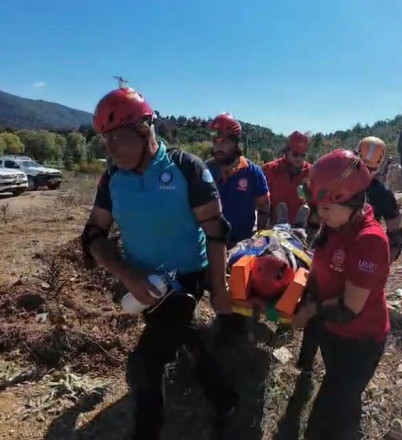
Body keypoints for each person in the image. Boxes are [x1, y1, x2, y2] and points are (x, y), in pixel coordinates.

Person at [82, 85, 237, 439]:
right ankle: (225, 398)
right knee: (187, 339)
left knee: (145, 364)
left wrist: (220, 288)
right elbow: (93, 234)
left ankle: (147, 432)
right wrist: (128, 274)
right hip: (143, 283)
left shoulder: (186, 169)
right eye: (104, 140)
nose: (109, 149)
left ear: (143, 130)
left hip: (187, 278)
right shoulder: (112, 179)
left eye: (116, 138)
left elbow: (216, 232)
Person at [292, 150, 390, 440]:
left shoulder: (368, 241)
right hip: (335, 334)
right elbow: (320, 266)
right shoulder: (336, 223)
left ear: (350, 199)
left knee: (323, 423)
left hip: (358, 343)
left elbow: (349, 308)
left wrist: (309, 311)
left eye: (325, 209)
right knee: (343, 402)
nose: (319, 216)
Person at [205, 113, 271, 248]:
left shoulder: (252, 172)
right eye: (215, 142)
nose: (218, 147)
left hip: (241, 246)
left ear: (235, 143)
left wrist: (259, 235)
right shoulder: (203, 170)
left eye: (224, 141)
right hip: (209, 245)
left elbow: (264, 205)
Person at [356, 136, 402, 263]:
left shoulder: (383, 192)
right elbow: (395, 234)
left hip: (361, 248)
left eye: (369, 169)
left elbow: (394, 234)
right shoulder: (383, 192)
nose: (366, 173)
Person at [262, 131, 312, 228]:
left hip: (300, 228)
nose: (299, 159)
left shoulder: (311, 173)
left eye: (303, 155)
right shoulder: (271, 169)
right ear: (286, 151)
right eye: (295, 154)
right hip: (274, 226)